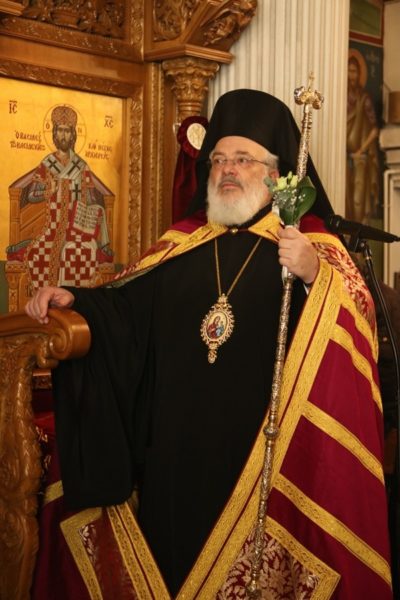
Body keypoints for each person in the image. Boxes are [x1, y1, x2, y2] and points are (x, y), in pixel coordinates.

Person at [25, 90, 392, 599]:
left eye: (244, 159)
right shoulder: (183, 244)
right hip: (176, 455)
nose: (228, 170)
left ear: (278, 173)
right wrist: (78, 300)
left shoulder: (310, 247)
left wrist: (313, 275)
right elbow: (126, 310)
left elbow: (357, 321)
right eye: (219, 159)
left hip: (262, 459)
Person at [7, 105, 113, 291]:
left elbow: (91, 197)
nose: (64, 135)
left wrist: (96, 212)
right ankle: (46, 299)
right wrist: (49, 189)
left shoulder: (81, 166)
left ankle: (72, 298)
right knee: (37, 254)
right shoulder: (47, 164)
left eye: (67, 131)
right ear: (54, 134)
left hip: (76, 228)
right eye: (60, 131)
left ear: (73, 135)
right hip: (52, 228)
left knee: (78, 252)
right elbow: (31, 195)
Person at [346, 51, 381, 224]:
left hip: (360, 157)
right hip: (344, 157)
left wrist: (361, 150)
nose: (351, 75)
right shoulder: (341, 97)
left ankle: (358, 235)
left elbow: (374, 130)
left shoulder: (364, 99)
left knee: (358, 199)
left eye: (354, 71)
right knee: (345, 197)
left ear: (359, 74)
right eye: (349, 71)